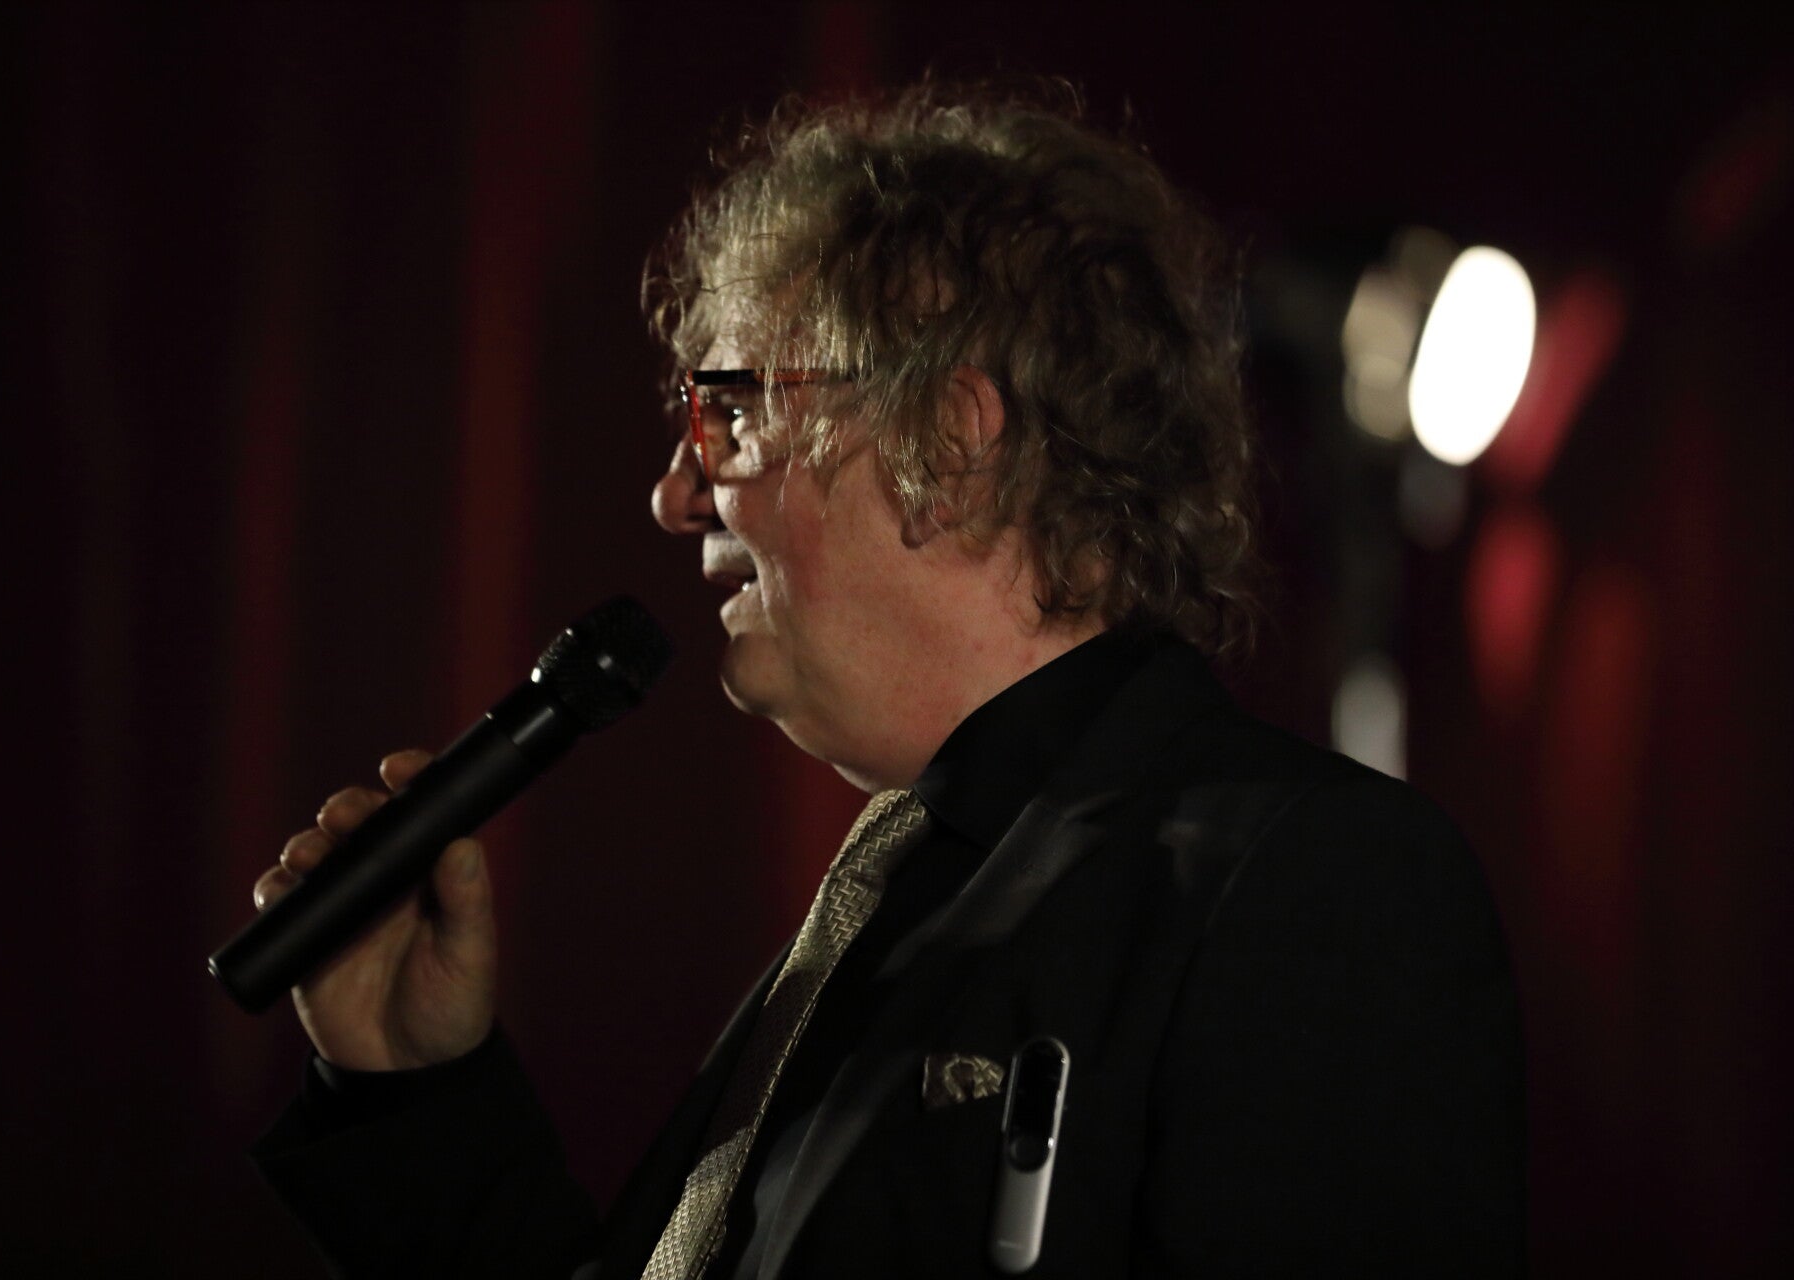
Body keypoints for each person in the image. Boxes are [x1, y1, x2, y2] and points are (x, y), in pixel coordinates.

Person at [249, 80, 1525, 1277]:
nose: (676, 492)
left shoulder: (1314, 882)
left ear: (949, 441)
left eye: (730, 413)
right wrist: (415, 1094)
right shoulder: (888, 904)